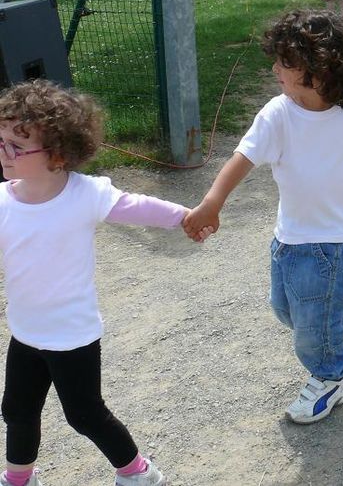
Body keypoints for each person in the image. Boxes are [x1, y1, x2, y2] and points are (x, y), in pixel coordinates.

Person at [184, 9, 343, 424]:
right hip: (290, 236)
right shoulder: (278, 113)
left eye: (286, 62)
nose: (275, 69)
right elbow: (241, 158)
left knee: (311, 329)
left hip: (334, 242)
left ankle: (332, 377)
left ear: (319, 71)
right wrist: (213, 201)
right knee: (286, 310)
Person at [0, 79, 196, 486]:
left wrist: (186, 216)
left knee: (85, 414)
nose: (5, 152)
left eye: (16, 146)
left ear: (57, 153)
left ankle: (138, 472)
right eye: (1, 141)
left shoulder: (84, 195)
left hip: (73, 335)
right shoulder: (3, 200)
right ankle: (18, 479)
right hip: (26, 332)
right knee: (16, 410)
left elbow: (136, 207)